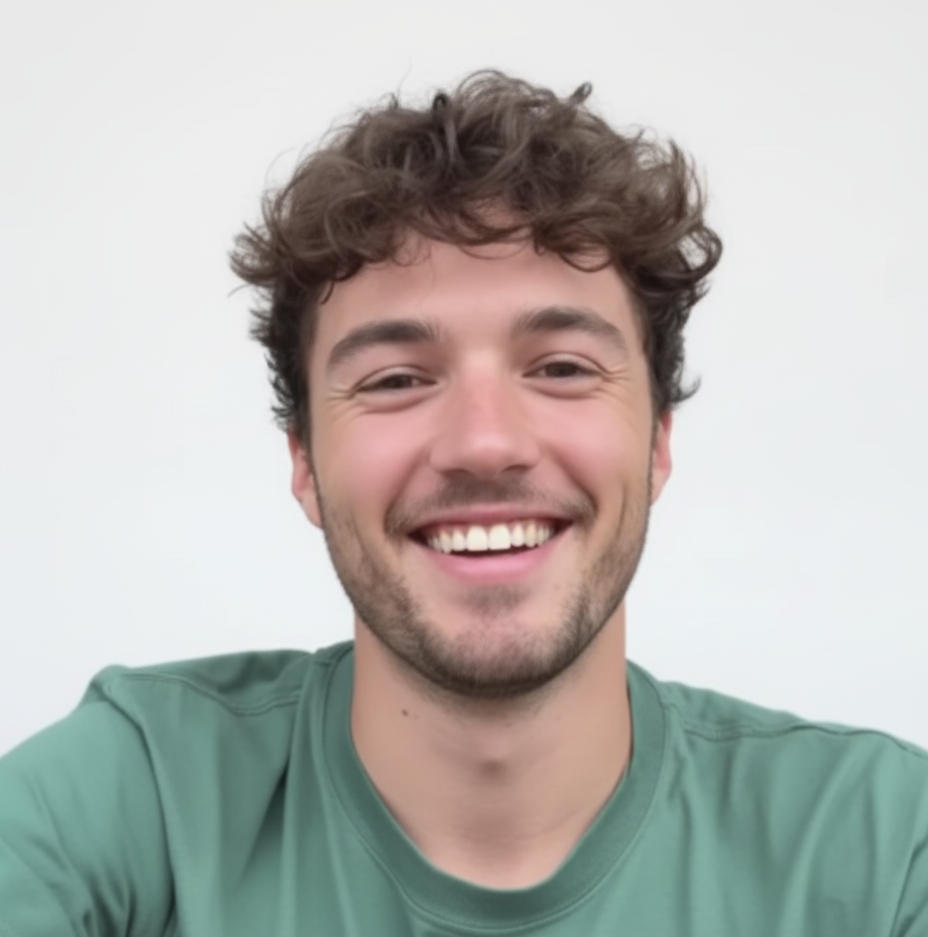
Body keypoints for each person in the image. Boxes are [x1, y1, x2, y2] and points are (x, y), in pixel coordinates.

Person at [1, 71, 926, 936]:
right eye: (397, 379)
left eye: (561, 367)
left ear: (657, 442)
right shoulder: (134, 801)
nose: (485, 442)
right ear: (305, 463)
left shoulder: (881, 851)